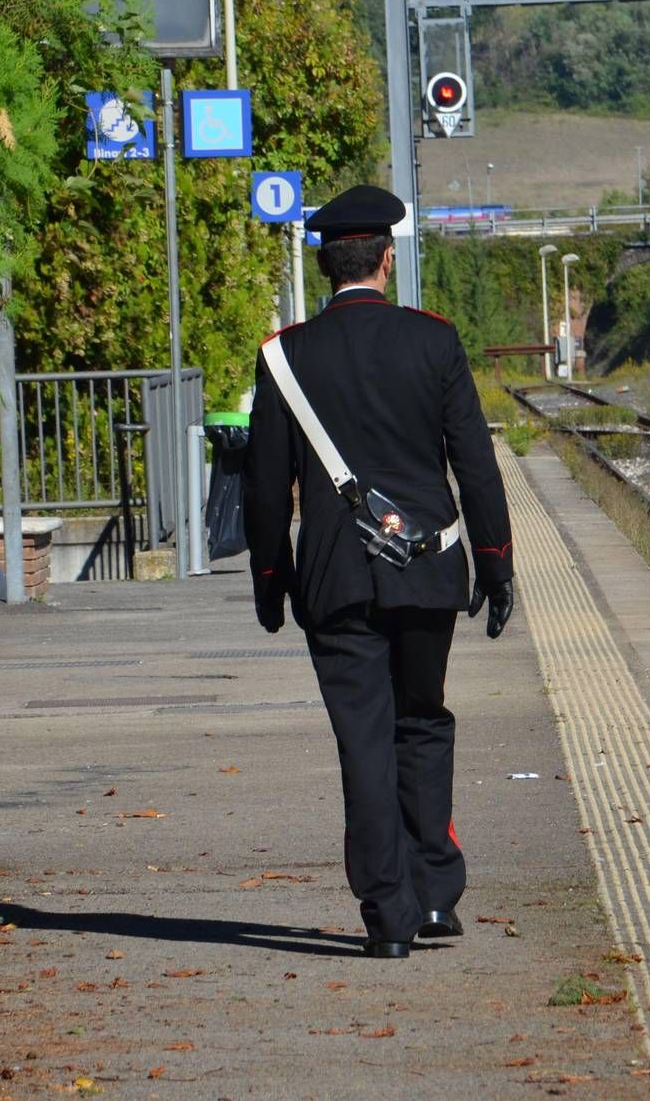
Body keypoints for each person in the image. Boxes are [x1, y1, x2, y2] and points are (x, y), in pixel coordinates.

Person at [243, 184, 515, 959]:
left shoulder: (284, 357)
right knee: (423, 719)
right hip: (430, 570)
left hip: (332, 579)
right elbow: (477, 464)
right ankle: (435, 892)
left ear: (327, 264)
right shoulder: (433, 341)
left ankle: (388, 909)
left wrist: (271, 578)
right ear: (387, 260)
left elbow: (265, 485)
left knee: (363, 736)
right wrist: (495, 565)